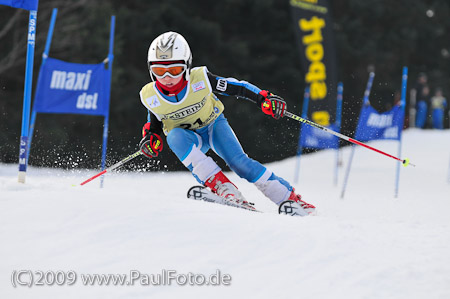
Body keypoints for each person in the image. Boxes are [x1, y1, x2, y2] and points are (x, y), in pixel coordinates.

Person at [138, 31, 315, 214]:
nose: (166, 77)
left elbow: (237, 87)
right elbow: (155, 122)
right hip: (188, 137)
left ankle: (291, 200)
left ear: (187, 66)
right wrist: (152, 138)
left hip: (213, 126)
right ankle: (225, 188)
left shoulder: (201, 79)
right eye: (159, 71)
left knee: (240, 164)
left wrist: (263, 98)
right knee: (173, 137)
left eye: (174, 70)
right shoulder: (149, 95)